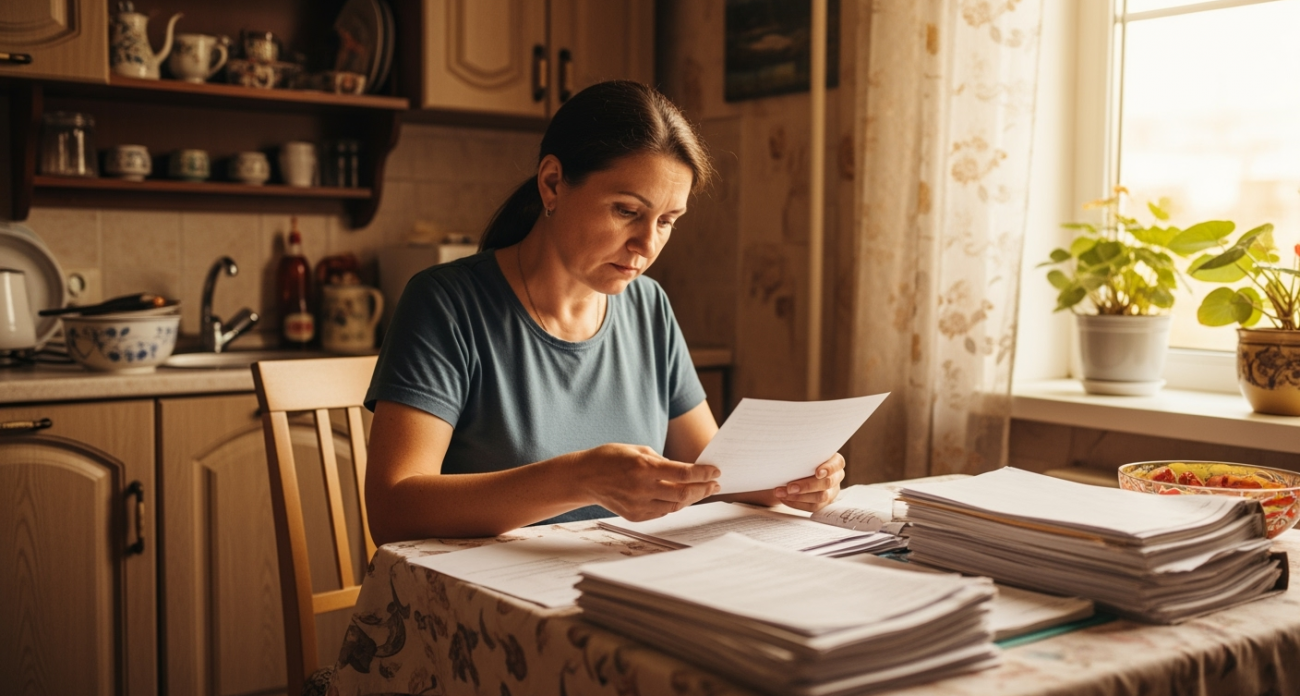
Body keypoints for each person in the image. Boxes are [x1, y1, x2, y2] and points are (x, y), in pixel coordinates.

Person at [364, 80, 844, 543]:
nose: (646, 244)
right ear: (552, 184)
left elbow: (708, 470)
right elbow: (392, 509)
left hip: (618, 589)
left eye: (667, 221)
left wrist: (791, 480)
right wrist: (579, 478)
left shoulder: (649, 305)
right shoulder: (447, 304)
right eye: (626, 211)